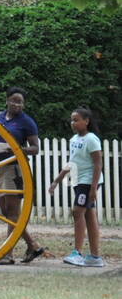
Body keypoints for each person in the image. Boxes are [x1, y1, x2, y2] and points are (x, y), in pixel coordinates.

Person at [0, 87, 45, 264]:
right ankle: (33, 246)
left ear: (24, 104)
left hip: (14, 168)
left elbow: (35, 148)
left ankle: (7, 254)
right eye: (13, 100)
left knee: (12, 212)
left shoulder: (27, 122)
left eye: (20, 102)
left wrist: (18, 149)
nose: (16, 104)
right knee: (6, 212)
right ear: (6, 100)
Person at [49, 107, 106, 267]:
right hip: (78, 180)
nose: (73, 123)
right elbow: (71, 163)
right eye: (71, 120)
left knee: (77, 211)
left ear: (86, 121)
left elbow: (97, 164)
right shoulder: (74, 139)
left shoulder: (91, 139)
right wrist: (56, 181)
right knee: (89, 215)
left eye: (76, 120)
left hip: (88, 181)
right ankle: (95, 257)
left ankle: (77, 253)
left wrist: (93, 188)